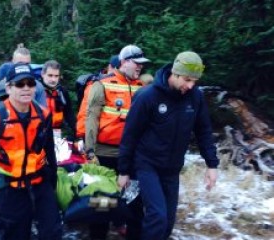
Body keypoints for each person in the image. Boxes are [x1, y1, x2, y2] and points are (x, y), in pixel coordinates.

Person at [117, 51, 219, 240]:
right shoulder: (148, 96)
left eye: (194, 81)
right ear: (175, 73)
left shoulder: (195, 97)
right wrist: (124, 171)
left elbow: (204, 131)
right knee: (157, 217)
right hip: (146, 165)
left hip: (172, 168)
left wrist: (211, 165)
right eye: (187, 80)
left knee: (167, 224)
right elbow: (130, 135)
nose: (191, 86)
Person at [0, 62, 62, 240]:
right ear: (8, 88)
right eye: (20, 84)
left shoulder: (43, 115)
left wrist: (52, 183)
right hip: (9, 188)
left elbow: (49, 151)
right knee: (15, 234)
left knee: (53, 233)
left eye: (30, 83)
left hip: (40, 183)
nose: (26, 88)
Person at [85, 45, 149, 240]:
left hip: (133, 157)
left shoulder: (143, 89)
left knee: (136, 208)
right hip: (106, 155)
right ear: (123, 62)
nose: (140, 67)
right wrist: (89, 150)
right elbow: (91, 118)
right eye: (136, 63)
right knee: (102, 208)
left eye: (142, 64)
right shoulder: (102, 84)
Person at [41, 60, 76, 140]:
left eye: (56, 76)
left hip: (57, 133)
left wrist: (77, 133)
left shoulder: (62, 92)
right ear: (42, 74)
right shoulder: (36, 91)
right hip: (40, 133)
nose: (53, 79)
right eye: (50, 75)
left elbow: (69, 114)